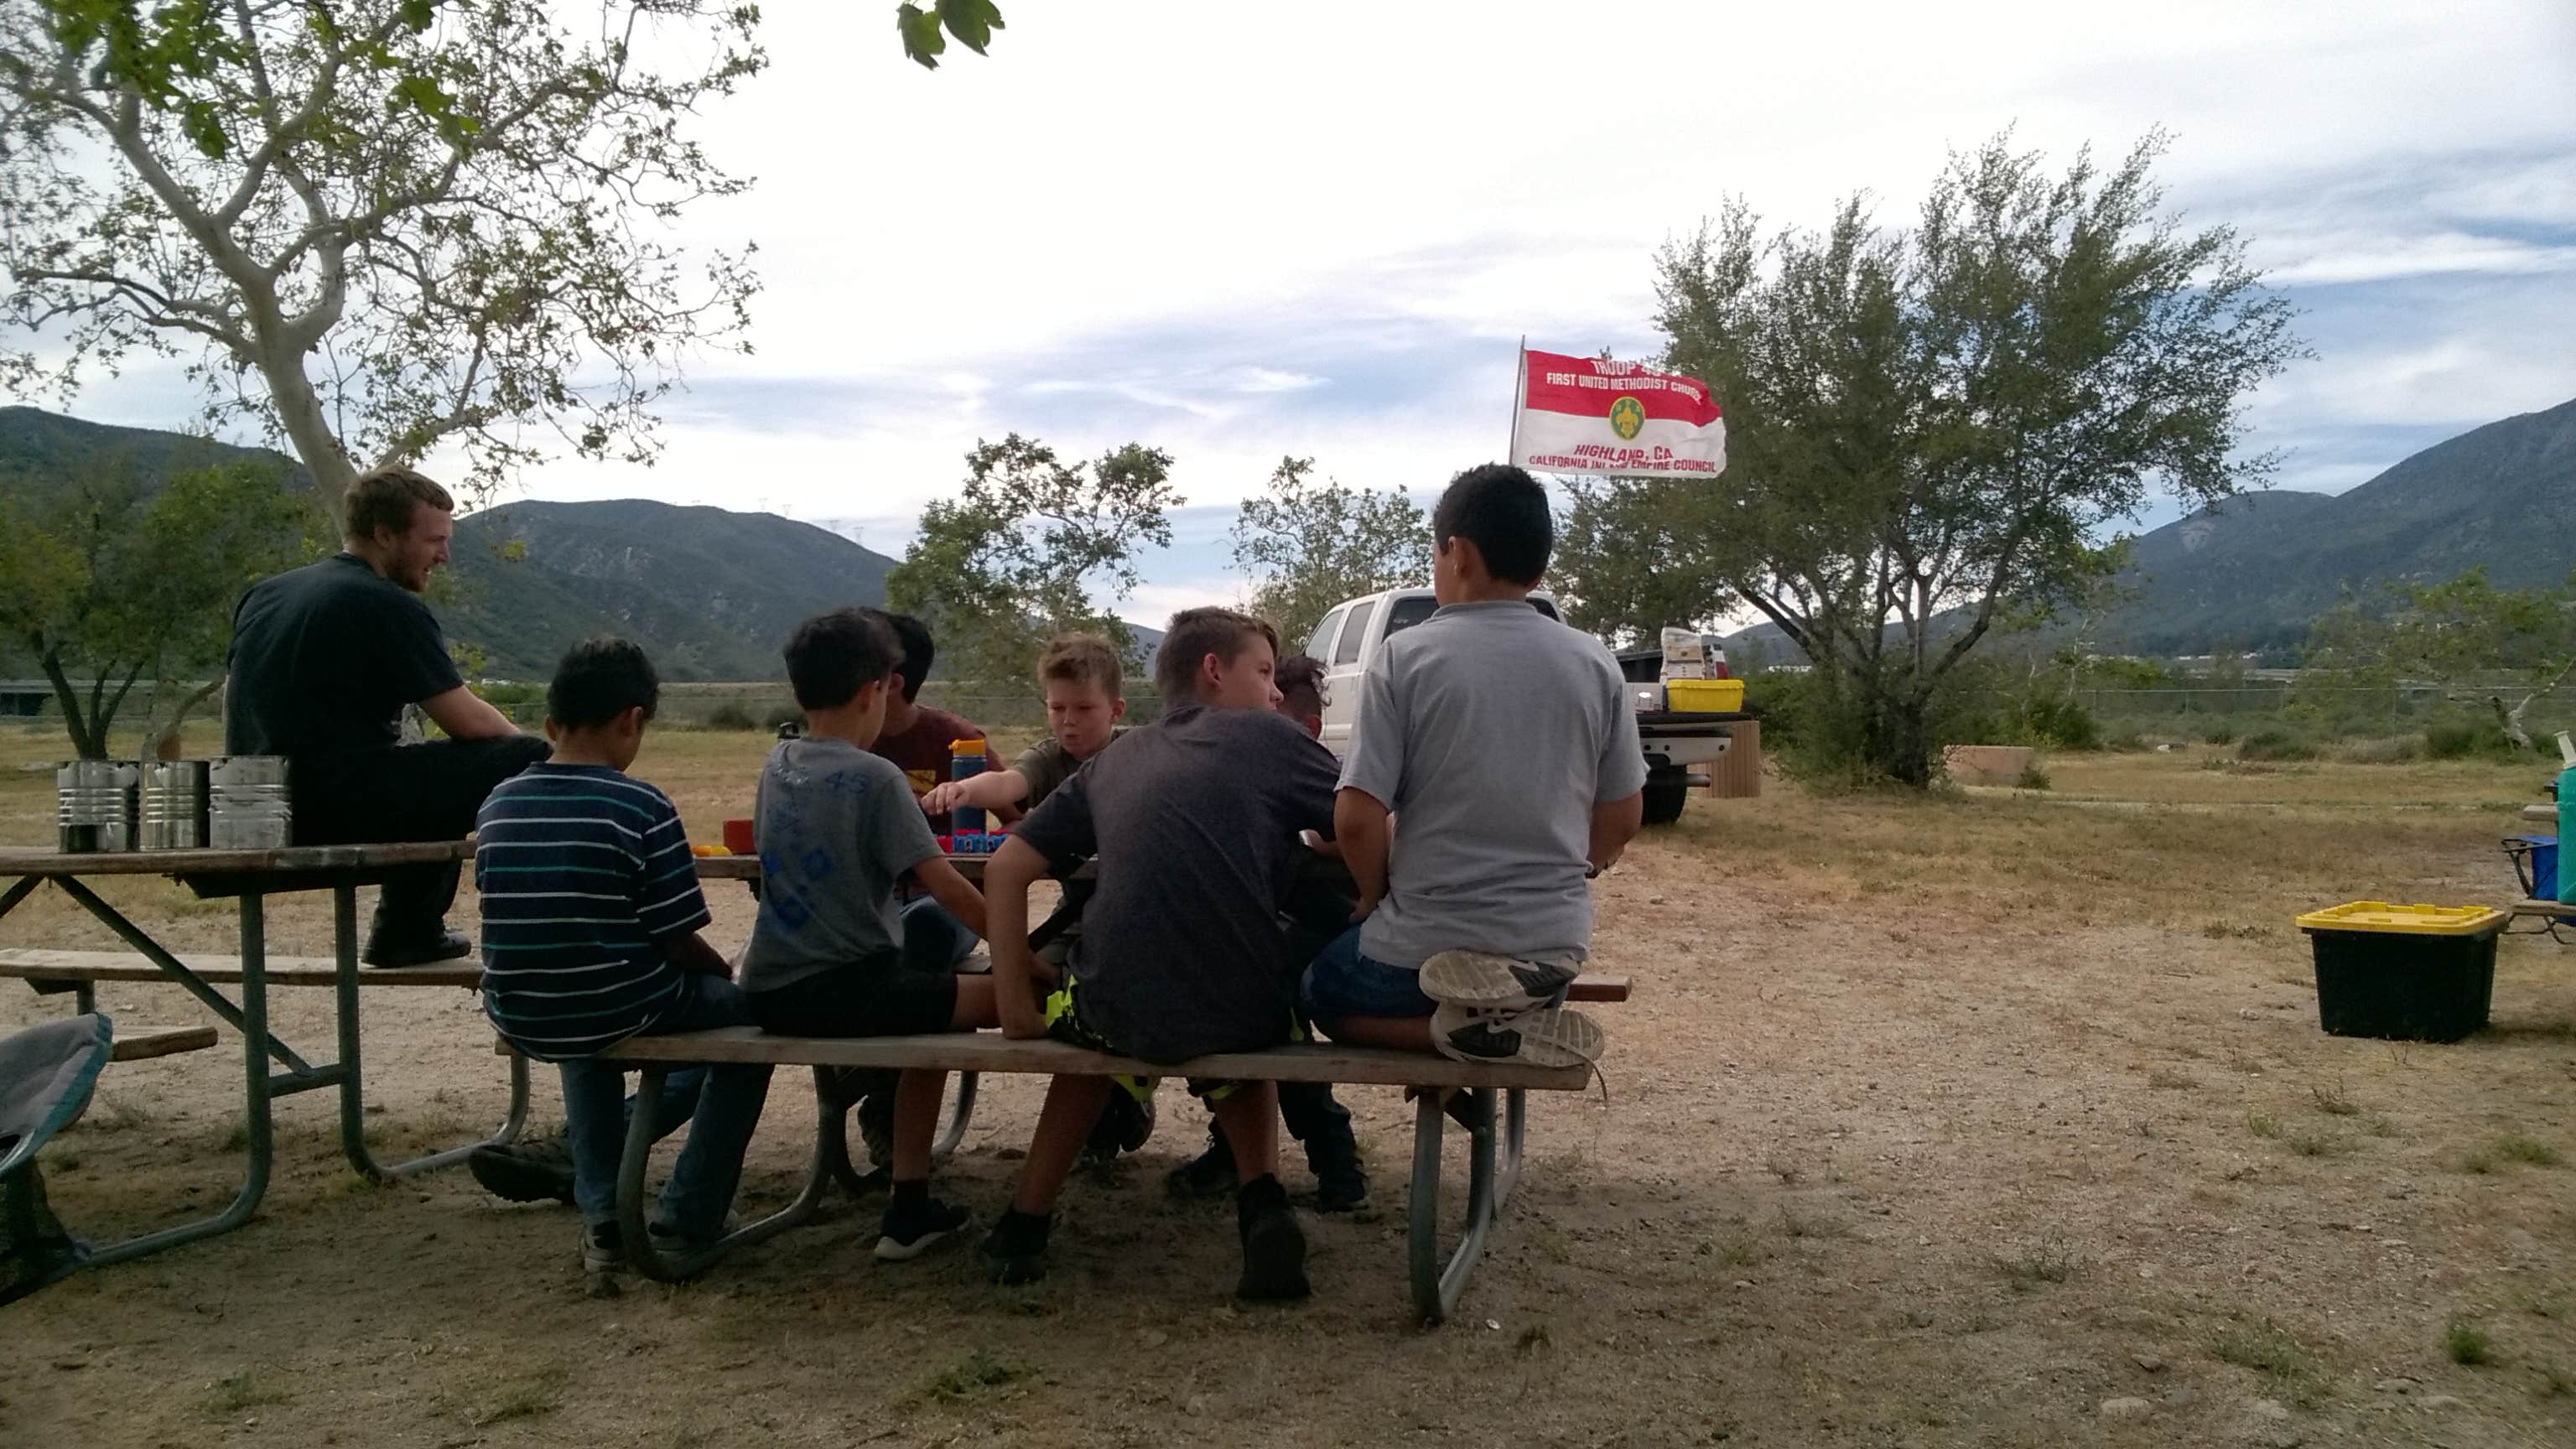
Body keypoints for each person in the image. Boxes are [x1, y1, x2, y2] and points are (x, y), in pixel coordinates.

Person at [979, 607, 1339, 1299]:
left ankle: (1023, 1223)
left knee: (1093, 1033)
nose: (1274, 693)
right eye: (1264, 672)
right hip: (1242, 1010)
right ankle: (1262, 1204)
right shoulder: (1271, 736)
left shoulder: (1116, 758)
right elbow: (1363, 818)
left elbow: (1005, 869)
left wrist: (1015, 1006)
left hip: (1116, 1007)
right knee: (1249, 1015)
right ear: (1214, 670)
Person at [1306, 464, 1641, 1067]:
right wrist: (1576, 867)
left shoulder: (1404, 658)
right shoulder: (1594, 663)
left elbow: (1356, 817)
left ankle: (1450, 1032)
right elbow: (1622, 815)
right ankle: (1501, 1018)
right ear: (1539, 567)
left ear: (1457, 553)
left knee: (1320, 991)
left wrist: (1373, 897)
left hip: (1421, 953)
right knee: (1522, 988)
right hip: (1550, 952)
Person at [475, 638, 772, 1281]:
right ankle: (689, 1215)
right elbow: (676, 939)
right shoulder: (641, 806)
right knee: (753, 1031)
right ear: (632, 721)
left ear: (549, 724)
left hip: (519, 1008)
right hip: (619, 1001)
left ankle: (605, 1219)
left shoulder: (498, 802)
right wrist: (723, 972)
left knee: (586, 1026)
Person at [736, 607, 1015, 1261]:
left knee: (933, 1004)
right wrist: (1021, 960)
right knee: (1008, 1001)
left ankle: (906, 1196)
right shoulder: (876, 776)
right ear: (874, 692)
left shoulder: (778, 764)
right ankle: (908, 1206)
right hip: (850, 988)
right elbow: (947, 886)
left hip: (769, 989)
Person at [226, 465, 549, 966]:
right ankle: (410, 929)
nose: (444, 555)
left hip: (253, 805)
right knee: (520, 756)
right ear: (384, 534)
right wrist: (551, 761)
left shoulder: (266, 594)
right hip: (328, 810)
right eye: (434, 540)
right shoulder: (383, 603)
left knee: (423, 773)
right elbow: (469, 723)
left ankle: (410, 927)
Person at [920, 631, 1154, 1166]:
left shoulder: (1140, 753)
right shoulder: (1051, 758)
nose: (1068, 722)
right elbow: (1009, 783)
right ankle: (1103, 1107)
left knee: (1116, 992)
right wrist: (965, 790)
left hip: (1136, 920)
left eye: (1083, 709)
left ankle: (1122, 1096)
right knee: (1032, 984)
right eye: (1056, 708)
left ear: (1116, 710)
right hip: (1076, 922)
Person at [1166, 652, 1368, 1211]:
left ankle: (1331, 1152)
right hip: (1269, 932)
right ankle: (1236, 1146)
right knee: (1214, 983)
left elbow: (1342, 834)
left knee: (1266, 1006)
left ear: (1308, 730)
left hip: (1330, 931)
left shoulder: (1319, 770)